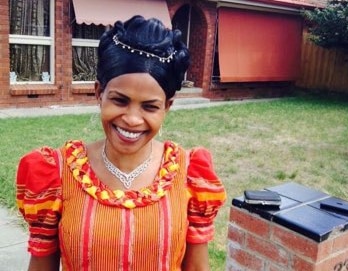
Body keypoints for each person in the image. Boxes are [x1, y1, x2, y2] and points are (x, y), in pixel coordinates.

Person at [16, 15, 226, 271]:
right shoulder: (57, 173)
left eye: (150, 107)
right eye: (120, 100)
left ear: (167, 107)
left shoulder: (188, 173)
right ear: (99, 93)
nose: (132, 119)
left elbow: (196, 268)